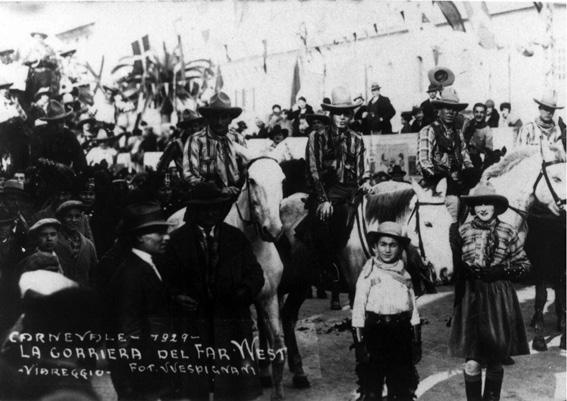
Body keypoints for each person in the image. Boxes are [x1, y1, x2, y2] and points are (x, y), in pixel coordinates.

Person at [159, 182, 264, 401]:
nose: (210, 213)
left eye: (215, 208)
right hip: (193, 324)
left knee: (232, 386)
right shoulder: (177, 241)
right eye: (204, 208)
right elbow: (164, 279)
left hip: (230, 323)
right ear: (194, 211)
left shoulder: (236, 238)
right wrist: (176, 296)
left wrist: (244, 292)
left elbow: (255, 274)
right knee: (195, 386)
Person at [449, 183, 530, 401]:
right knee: (472, 361)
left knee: (495, 359)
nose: (483, 207)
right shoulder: (462, 231)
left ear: (496, 207)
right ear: (472, 208)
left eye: (488, 203)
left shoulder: (507, 230)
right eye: (478, 204)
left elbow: (524, 264)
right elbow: (452, 268)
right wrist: (461, 271)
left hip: (498, 297)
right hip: (471, 298)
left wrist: (501, 270)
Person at [302, 86, 372, 310]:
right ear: (331, 115)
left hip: (351, 192)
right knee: (325, 222)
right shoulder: (317, 137)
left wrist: (367, 182)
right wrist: (323, 199)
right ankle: (328, 268)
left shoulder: (357, 140)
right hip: (326, 191)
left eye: (347, 113)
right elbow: (313, 171)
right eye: (338, 113)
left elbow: (363, 170)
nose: (343, 118)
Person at [105, 201, 174, 401]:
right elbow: (127, 331)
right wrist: (130, 381)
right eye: (159, 233)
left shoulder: (146, 264)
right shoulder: (131, 274)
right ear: (140, 236)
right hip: (142, 374)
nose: (166, 237)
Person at [352, 222, 421, 401]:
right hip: (375, 332)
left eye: (393, 245)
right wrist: (360, 344)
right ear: (375, 247)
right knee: (372, 386)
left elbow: (412, 307)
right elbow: (358, 308)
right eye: (383, 244)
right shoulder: (368, 274)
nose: (387, 250)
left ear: (399, 248)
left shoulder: (405, 275)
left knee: (400, 386)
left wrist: (416, 339)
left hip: (401, 333)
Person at [416, 87, 475, 222]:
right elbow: (423, 162)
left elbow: (466, 159)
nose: (451, 112)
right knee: (453, 203)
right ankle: (452, 235)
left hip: (458, 183)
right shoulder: (428, 130)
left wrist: (470, 173)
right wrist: (444, 178)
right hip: (436, 185)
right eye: (447, 108)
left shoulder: (458, 133)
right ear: (439, 110)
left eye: (454, 109)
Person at [183, 92, 246, 196]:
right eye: (215, 117)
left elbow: (247, 168)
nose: (219, 122)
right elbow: (189, 175)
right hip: (207, 202)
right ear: (208, 118)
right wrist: (218, 190)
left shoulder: (238, 139)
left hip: (237, 197)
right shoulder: (196, 140)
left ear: (230, 119)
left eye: (224, 117)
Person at [29, 100, 87, 172]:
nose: (59, 126)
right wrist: (56, 166)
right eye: (55, 122)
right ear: (49, 122)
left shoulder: (69, 136)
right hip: (44, 175)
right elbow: (35, 158)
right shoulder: (40, 135)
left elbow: (81, 161)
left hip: (65, 177)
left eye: (61, 121)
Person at [54, 200, 97, 287]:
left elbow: (94, 274)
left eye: (77, 216)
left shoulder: (88, 245)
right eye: (69, 216)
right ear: (61, 219)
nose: (74, 220)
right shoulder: (53, 243)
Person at [157, 109, 205, 174]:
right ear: (184, 129)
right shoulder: (176, 145)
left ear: (199, 127)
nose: (193, 129)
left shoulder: (204, 144)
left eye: (195, 126)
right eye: (189, 126)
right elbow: (161, 167)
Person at [462, 103, 493, 178]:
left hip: (476, 161)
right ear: (473, 112)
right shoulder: (468, 124)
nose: (479, 115)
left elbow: (488, 150)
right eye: (477, 112)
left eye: (481, 112)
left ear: (485, 114)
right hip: (462, 158)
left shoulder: (487, 130)